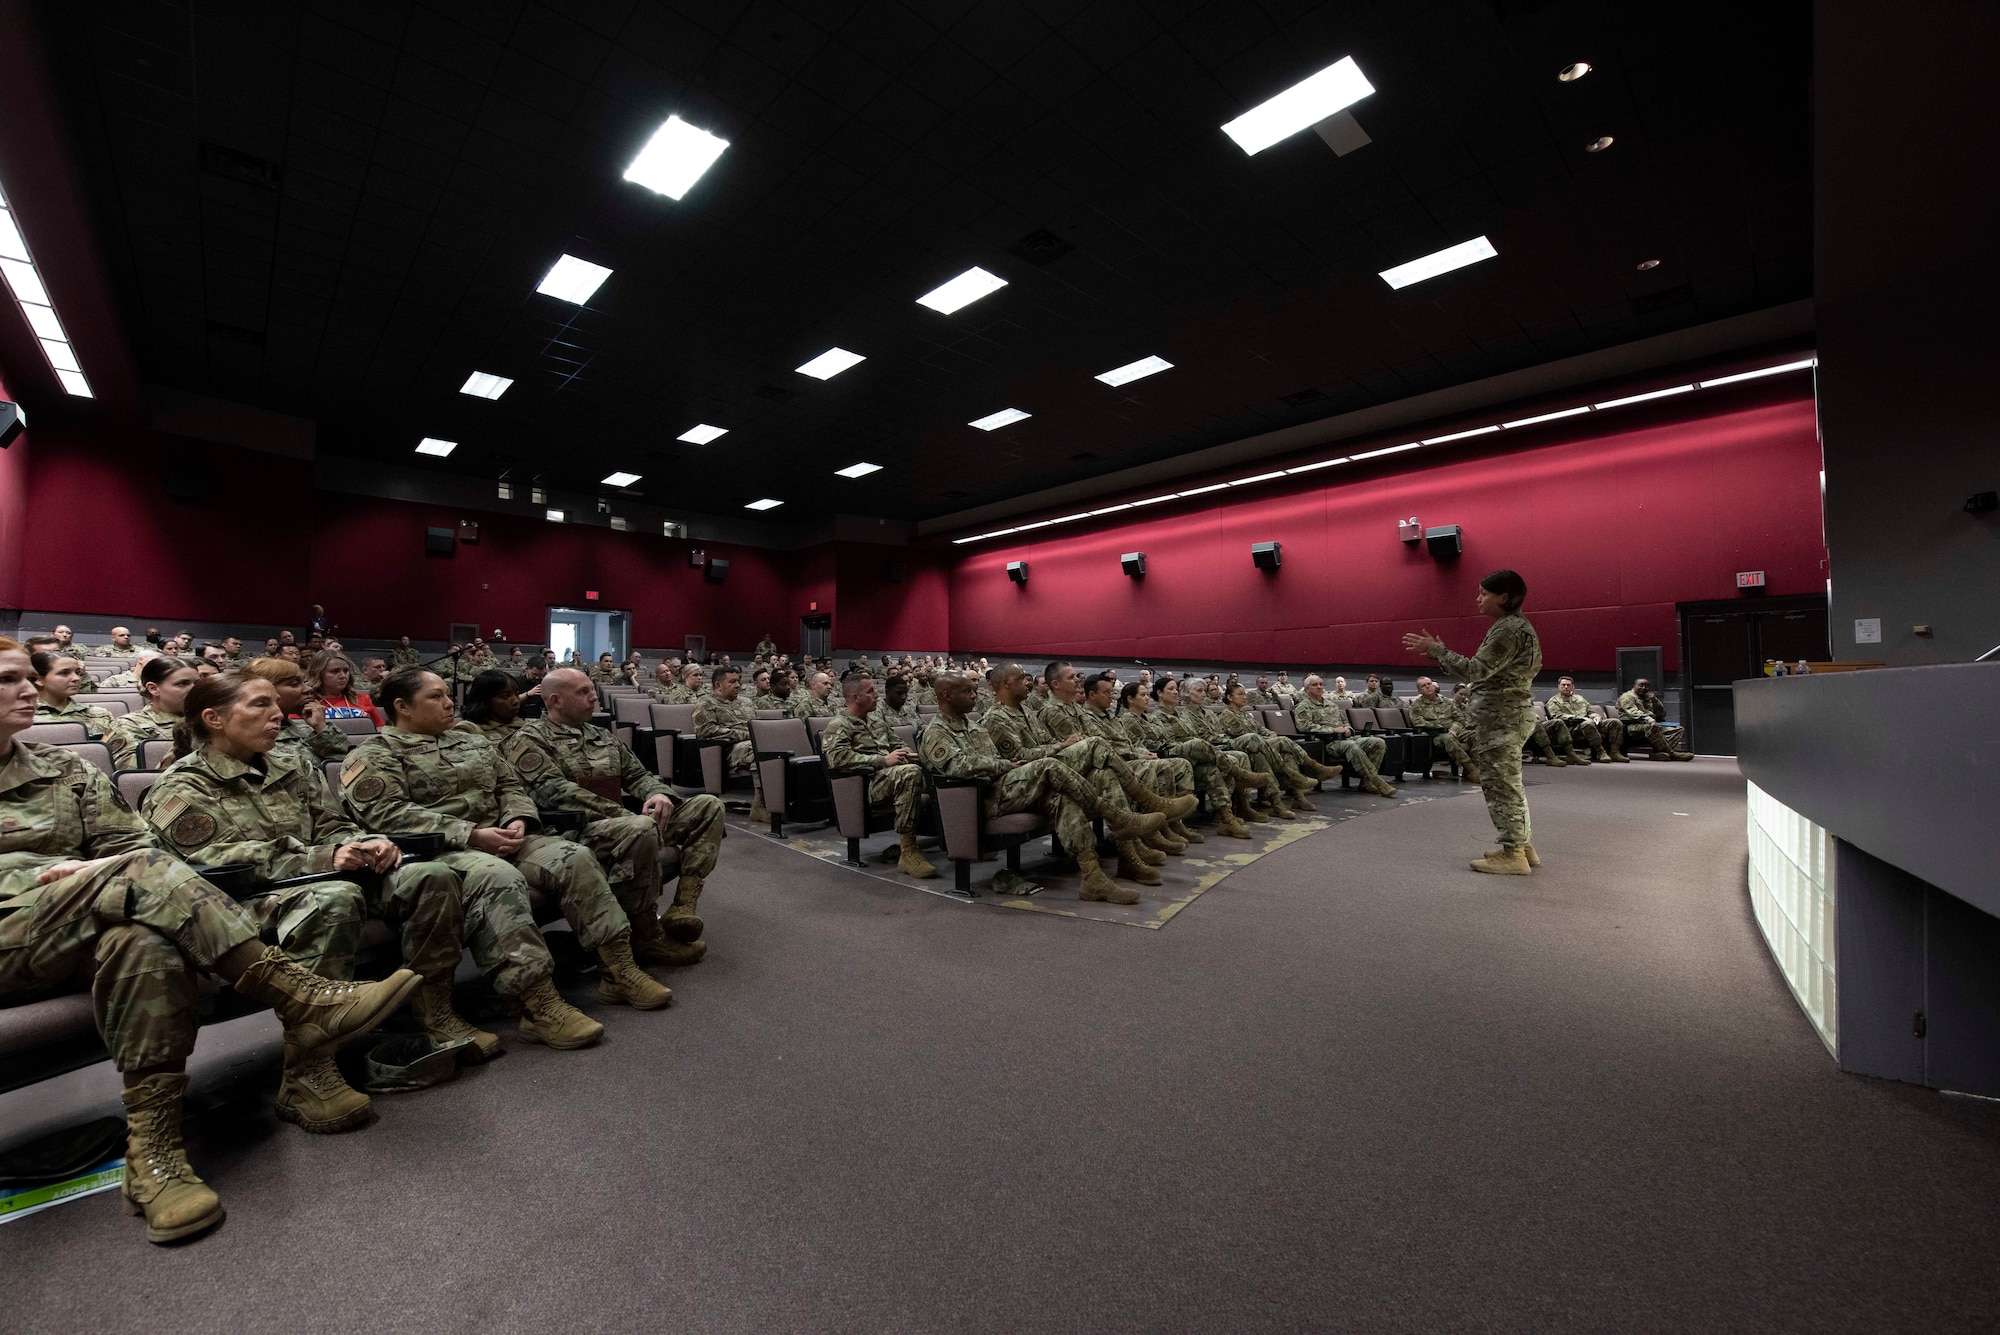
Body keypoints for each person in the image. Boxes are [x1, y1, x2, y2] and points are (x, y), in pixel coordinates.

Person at [0, 637, 419, 1244]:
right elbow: (139, 864)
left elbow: (131, 850)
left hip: (77, 926)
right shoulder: (180, 779)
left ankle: (155, 1153)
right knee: (144, 879)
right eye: (7, 680)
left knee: (145, 945)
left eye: (25, 677)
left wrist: (100, 876)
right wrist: (100, 877)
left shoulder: (65, 769)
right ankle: (306, 998)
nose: (27, 689)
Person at [141, 672, 478, 1129]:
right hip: (239, 902)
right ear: (213, 718)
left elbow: (332, 823)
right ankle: (308, 1073)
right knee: (332, 900)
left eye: (274, 705)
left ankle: (433, 1012)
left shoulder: (292, 764)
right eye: (260, 705)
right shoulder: (180, 786)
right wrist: (322, 855)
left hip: (322, 875)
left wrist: (366, 843)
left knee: (429, 876)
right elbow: (214, 861)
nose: (278, 713)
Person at [341, 668, 669, 1021]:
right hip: (440, 850)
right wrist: (471, 834)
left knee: (574, 856)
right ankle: (537, 1002)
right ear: (402, 706)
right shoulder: (374, 754)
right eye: (436, 697)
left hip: (503, 835)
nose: (450, 703)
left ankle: (618, 969)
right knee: (498, 876)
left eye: (448, 695)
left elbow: (511, 787)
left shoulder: (472, 741)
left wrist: (518, 819)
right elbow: (387, 814)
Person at [503, 668, 724, 965]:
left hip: (626, 826)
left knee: (708, 807)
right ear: (555, 700)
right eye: (583, 692)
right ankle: (646, 936)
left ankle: (682, 908)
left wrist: (656, 794)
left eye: (592, 690)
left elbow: (638, 775)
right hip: (570, 834)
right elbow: (558, 794)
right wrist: (624, 815)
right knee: (640, 826)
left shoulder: (601, 736)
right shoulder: (528, 740)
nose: (594, 697)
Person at [919, 674, 1169, 905]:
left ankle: (1092, 877)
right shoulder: (935, 732)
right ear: (946, 696)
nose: (974, 695)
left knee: (1061, 798)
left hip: (1005, 787)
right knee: (1049, 766)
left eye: (974, 691)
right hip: (979, 798)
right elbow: (957, 766)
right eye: (966, 692)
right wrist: (1003, 765)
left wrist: (1003, 766)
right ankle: (1116, 815)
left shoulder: (974, 727)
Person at [1403, 569, 1545, 875]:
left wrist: (1436, 650)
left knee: (1501, 786)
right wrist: (1439, 654)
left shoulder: (1508, 630)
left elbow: (1475, 671)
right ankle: (1522, 845)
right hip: (1505, 717)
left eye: (1483, 593)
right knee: (1510, 785)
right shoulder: (1513, 627)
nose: (1477, 599)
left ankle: (1514, 855)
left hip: (1501, 719)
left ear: (1503, 597)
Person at [821, 674, 936, 879]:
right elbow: (837, 759)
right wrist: (883, 760)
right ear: (856, 697)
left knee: (937, 769)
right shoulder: (840, 724)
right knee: (909, 773)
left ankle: (956, 839)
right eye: (871, 692)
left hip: (889, 779)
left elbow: (897, 744)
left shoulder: (876, 722)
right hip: (864, 785)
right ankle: (908, 851)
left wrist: (907, 754)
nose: (876, 695)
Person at [1291, 675, 1398, 798]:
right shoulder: (1303, 707)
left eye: (1321, 684)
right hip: (1328, 743)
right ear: (1306, 689)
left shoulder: (1332, 705)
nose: (1319, 687)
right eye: (1314, 685)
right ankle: (1378, 782)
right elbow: (1304, 726)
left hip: (1346, 739)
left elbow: (1345, 722)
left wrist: (1348, 729)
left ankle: (1366, 783)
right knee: (1352, 746)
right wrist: (1332, 730)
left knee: (1378, 742)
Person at [102, 655, 199, 770]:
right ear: (153, 688)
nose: (195, 689)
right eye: (183, 683)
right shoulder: (128, 725)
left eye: (197, 683)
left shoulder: (209, 719)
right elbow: (135, 778)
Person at [694, 665, 764, 821]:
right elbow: (705, 731)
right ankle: (761, 806)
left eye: (738, 681)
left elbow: (757, 725)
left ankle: (782, 801)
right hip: (725, 750)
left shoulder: (746, 702)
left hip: (750, 743)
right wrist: (746, 735)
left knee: (777, 747)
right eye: (732, 682)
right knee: (759, 749)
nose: (738, 685)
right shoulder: (706, 703)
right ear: (718, 685)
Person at [32, 651, 116, 737]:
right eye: (64, 673)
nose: (76, 678)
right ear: (39, 679)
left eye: (77, 672)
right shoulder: (24, 716)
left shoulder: (99, 715)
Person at [1408, 677, 1477, 778]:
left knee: (1477, 735)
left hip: (1455, 731)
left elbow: (1459, 718)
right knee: (1448, 738)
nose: (1428, 687)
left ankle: (1475, 767)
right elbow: (1419, 723)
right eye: (1424, 686)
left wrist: (1454, 728)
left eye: (1429, 684)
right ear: (1419, 690)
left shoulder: (1445, 701)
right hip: (1435, 735)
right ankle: (1470, 768)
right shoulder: (1417, 705)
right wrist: (1442, 728)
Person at [1547, 676, 1626, 761]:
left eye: (1568, 685)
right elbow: (1557, 717)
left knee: (1615, 722)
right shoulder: (1554, 701)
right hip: (1570, 728)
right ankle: (1601, 752)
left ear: (1573, 687)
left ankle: (1615, 752)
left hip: (1589, 724)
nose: (1566, 687)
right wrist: (1581, 719)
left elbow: (1590, 711)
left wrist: (1595, 716)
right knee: (1587, 724)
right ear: (1559, 686)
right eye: (1563, 685)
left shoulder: (1579, 698)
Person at [1617, 679, 1694, 760]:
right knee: (1651, 728)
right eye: (1641, 685)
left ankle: (1659, 753)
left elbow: (1662, 714)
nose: (1643, 688)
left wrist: (1655, 701)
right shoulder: (1627, 697)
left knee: (1678, 729)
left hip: (1649, 724)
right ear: (1634, 686)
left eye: (1646, 686)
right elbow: (1633, 712)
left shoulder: (1648, 697)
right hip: (1630, 726)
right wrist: (1650, 720)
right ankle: (1671, 753)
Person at [308, 651, 385, 727]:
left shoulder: (364, 699)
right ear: (319, 674)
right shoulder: (307, 703)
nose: (343, 676)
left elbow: (379, 729)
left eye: (346, 671)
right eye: (335, 671)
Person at [457, 669, 526, 742]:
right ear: (485, 699)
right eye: (505, 696)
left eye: (517, 694)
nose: (516, 701)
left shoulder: (520, 724)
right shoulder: (469, 730)